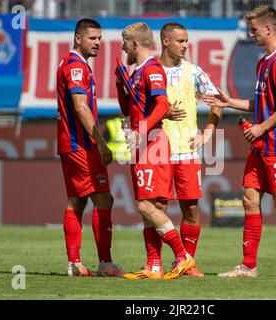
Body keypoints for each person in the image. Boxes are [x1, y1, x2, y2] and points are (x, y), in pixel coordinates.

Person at [204, 5, 276, 278]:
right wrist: (230, 101)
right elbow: (263, 103)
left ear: (268, 28)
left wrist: (263, 127)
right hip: (263, 143)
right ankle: (248, 266)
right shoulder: (263, 62)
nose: (251, 34)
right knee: (249, 197)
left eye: (254, 30)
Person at [115, 22, 195, 280]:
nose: (122, 47)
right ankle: (154, 266)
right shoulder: (137, 71)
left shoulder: (152, 68)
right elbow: (129, 108)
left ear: (135, 44)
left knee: (145, 206)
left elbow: (162, 105)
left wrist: (141, 130)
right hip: (142, 143)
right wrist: (120, 84)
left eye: (124, 42)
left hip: (152, 142)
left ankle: (182, 256)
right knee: (152, 206)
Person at [150, 22, 222, 277]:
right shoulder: (149, 70)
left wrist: (209, 132)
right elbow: (134, 106)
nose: (185, 46)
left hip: (188, 152)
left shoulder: (194, 72)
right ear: (166, 41)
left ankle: (187, 262)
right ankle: (154, 264)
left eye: (187, 41)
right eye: (180, 41)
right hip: (156, 152)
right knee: (156, 208)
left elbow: (217, 101)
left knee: (190, 209)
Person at [56, 18, 124, 277]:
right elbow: (80, 106)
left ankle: (75, 263)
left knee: (77, 200)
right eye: (92, 38)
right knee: (103, 198)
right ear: (78, 38)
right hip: (80, 145)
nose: (98, 43)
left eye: (100, 38)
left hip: (71, 143)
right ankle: (105, 263)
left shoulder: (74, 63)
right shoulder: (75, 66)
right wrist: (100, 141)